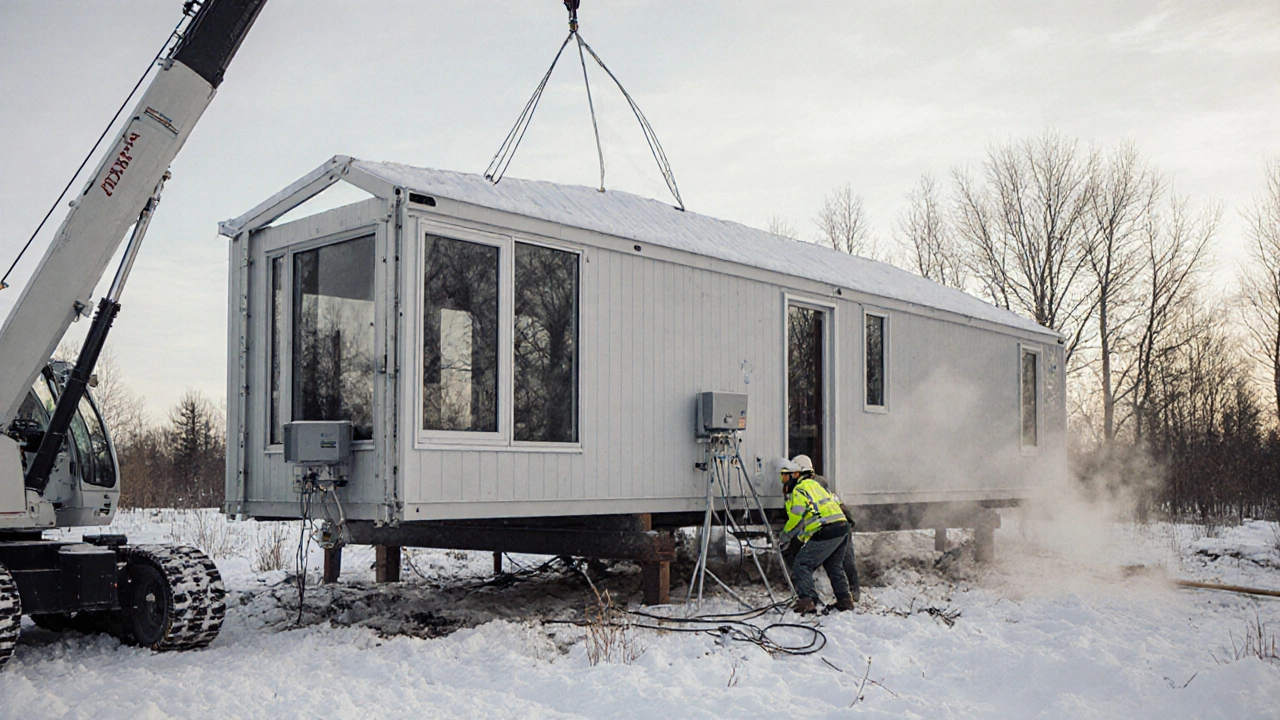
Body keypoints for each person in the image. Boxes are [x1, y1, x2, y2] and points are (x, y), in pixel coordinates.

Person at [778, 457, 855, 613]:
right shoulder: (817, 485)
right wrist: (799, 539)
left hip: (827, 529)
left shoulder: (800, 489)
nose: (784, 481)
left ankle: (808, 601)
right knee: (834, 566)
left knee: (802, 564)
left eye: (786, 476)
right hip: (841, 526)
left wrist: (784, 536)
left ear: (796, 474)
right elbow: (812, 517)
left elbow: (796, 516)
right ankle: (845, 600)